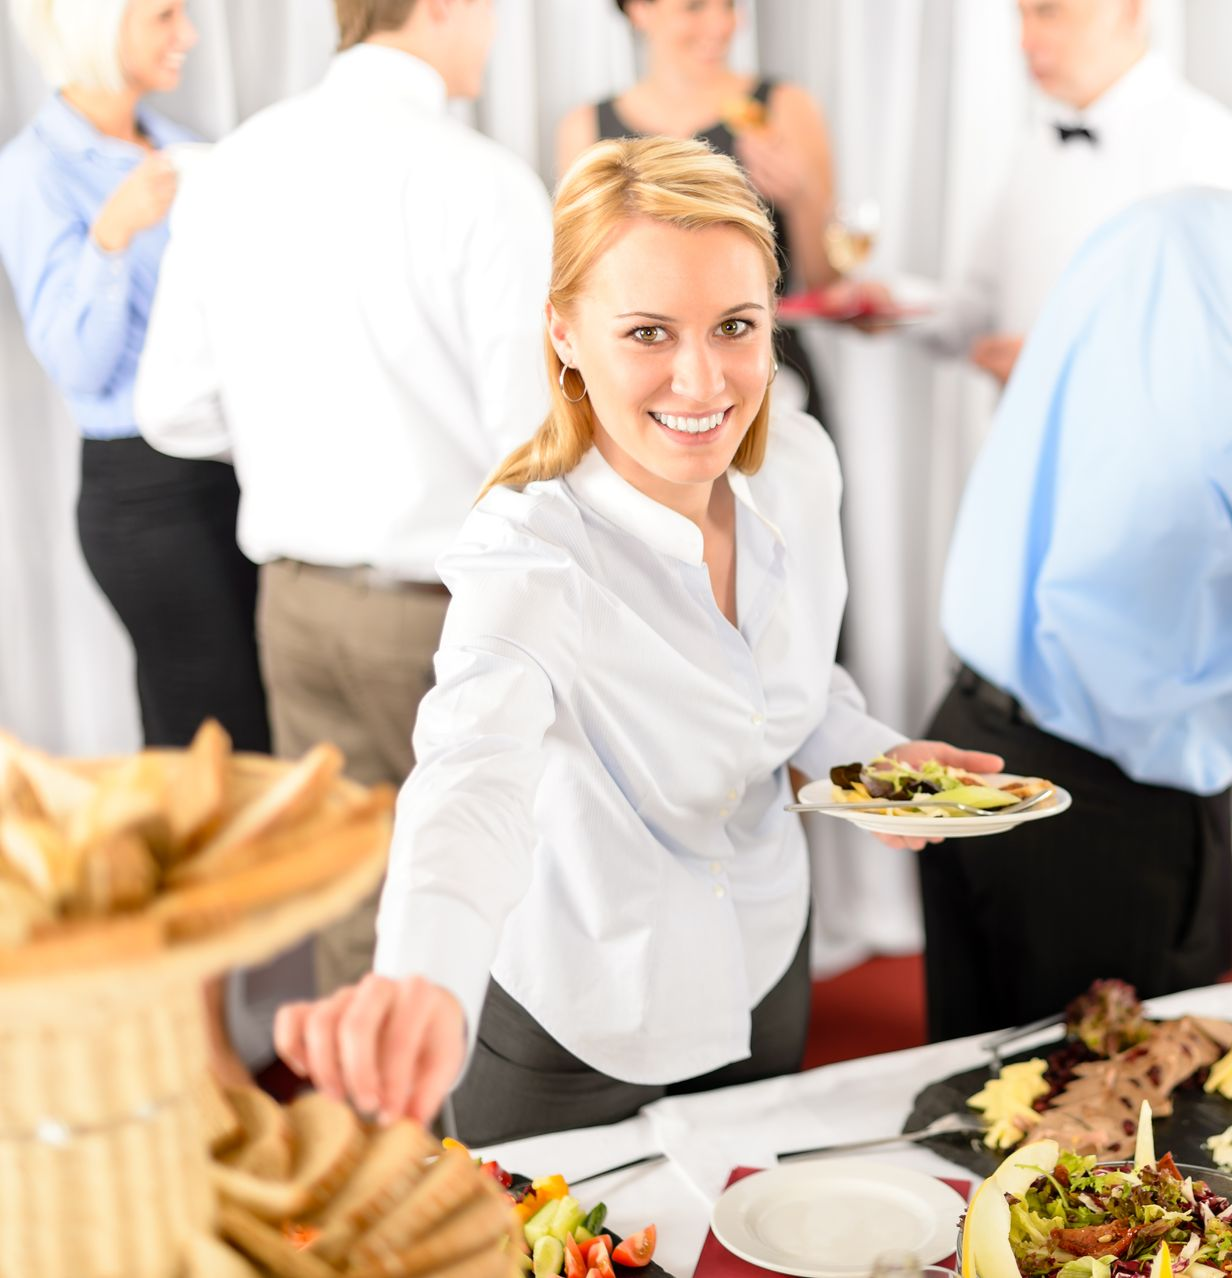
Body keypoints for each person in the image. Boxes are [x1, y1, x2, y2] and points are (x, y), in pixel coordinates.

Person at [273, 135, 1004, 1143]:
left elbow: (793, 692)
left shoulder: (798, 463)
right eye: (649, 332)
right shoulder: (527, 546)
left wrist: (877, 766)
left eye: (734, 326)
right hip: (579, 1020)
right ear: (564, 333)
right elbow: (467, 779)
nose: (702, 381)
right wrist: (422, 982)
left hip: (761, 969)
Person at [135, 0, 553, 1022]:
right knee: (494, 916)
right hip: (441, 618)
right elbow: (535, 442)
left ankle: (373, 1167)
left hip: (295, 610)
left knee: (355, 917)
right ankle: (483, 1178)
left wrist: (303, 449)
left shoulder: (232, 165)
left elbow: (172, 412)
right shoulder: (484, 182)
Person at [921, 186, 1232, 1041]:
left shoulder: (1172, 224)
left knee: (975, 1108)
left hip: (980, 734)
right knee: (1110, 1140)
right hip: (1111, 808)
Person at [0, 0, 270, 754]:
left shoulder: (188, 153)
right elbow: (79, 366)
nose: (186, 36)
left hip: (230, 474)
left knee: (237, 728)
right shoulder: (32, 172)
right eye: (164, 16)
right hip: (144, 501)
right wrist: (111, 238)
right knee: (216, 736)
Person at [848, 0, 1232, 385]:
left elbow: (1212, 352)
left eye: (1049, 12)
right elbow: (981, 305)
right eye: (1021, 16)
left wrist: (1069, 371)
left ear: (1128, 10)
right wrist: (890, 301)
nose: (1024, 43)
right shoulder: (1034, 148)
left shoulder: (1210, 145)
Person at [557, 0, 837, 425]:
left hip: (771, 382)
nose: (721, 24)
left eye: (728, 5)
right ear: (639, 10)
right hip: (644, 393)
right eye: (695, 7)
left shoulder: (786, 110)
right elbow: (579, 289)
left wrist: (799, 199)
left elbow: (827, 284)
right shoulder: (585, 130)